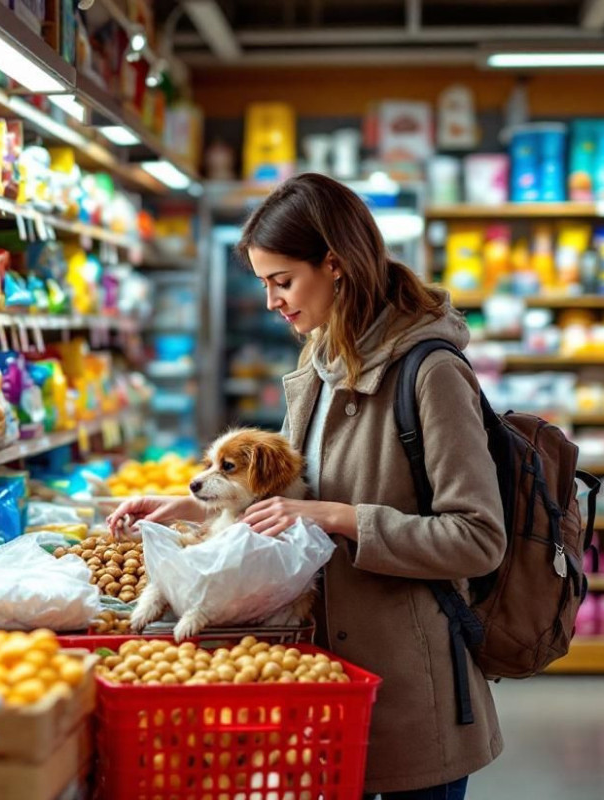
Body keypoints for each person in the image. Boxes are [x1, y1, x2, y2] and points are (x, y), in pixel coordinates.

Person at [106, 173, 505, 799]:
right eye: (264, 283)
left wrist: (341, 518)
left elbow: (478, 538)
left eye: (282, 281)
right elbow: (285, 498)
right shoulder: (317, 364)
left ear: (336, 265)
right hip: (316, 678)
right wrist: (188, 503)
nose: (271, 302)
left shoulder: (432, 374)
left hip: (409, 689)